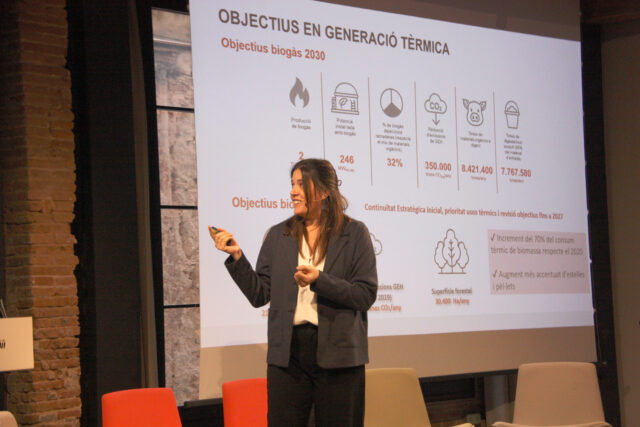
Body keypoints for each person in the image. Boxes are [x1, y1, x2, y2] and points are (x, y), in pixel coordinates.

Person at [209, 158, 378, 427]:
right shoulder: (279, 235)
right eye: (292, 184)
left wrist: (320, 280)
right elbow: (259, 294)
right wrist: (237, 257)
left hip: (339, 355)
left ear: (324, 191)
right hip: (288, 356)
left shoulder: (354, 233)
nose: (293, 191)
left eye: (301, 184)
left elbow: (365, 294)